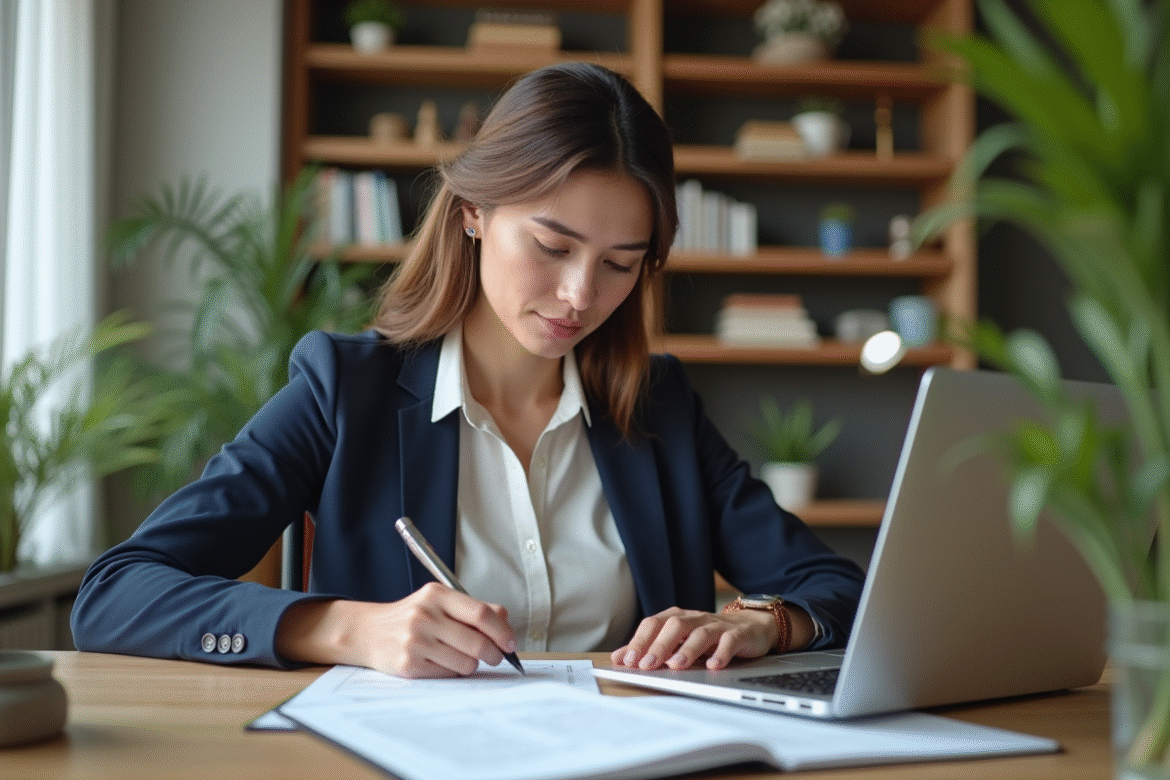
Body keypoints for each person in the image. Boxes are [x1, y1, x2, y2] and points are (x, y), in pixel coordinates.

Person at [71, 62, 865, 678]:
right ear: (473, 214)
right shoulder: (345, 391)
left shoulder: (658, 407)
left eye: (621, 265)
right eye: (552, 247)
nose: (581, 295)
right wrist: (346, 628)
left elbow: (844, 590)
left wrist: (762, 620)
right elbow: (115, 594)